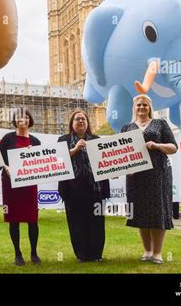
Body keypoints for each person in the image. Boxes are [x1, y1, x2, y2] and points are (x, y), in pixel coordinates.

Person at [120, 94, 177, 264]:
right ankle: (147, 250)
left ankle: (158, 253)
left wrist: (157, 145)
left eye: (145, 105)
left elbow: (174, 147)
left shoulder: (160, 124)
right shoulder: (126, 128)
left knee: (158, 211)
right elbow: (122, 153)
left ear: (149, 107)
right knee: (140, 211)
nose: (142, 108)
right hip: (135, 176)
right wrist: (125, 169)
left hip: (158, 174)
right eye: (139, 105)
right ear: (134, 108)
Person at [57, 109, 110, 263]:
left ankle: (96, 254)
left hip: (95, 189)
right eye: (77, 119)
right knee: (76, 223)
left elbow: (106, 161)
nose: (80, 122)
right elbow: (58, 161)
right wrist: (75, 149)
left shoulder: (96, 139)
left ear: (87, 123)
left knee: (96, 223)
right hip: (72, 189)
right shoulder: (64, 140)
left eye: (83, 119)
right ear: (71, 123)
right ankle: (82, 255)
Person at [0, 108, 41, 266]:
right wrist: (6, 167)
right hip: (10, 185)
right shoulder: (7, 139)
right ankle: (18, 253)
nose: (22, 120)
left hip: (29, 185)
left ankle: (34, 253)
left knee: (32, 219)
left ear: (29, 120)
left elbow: (42, 162)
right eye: (18, 117)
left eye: (25, 117)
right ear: (15, 121)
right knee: (14, 219)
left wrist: (33, 156)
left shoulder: (36, 141)